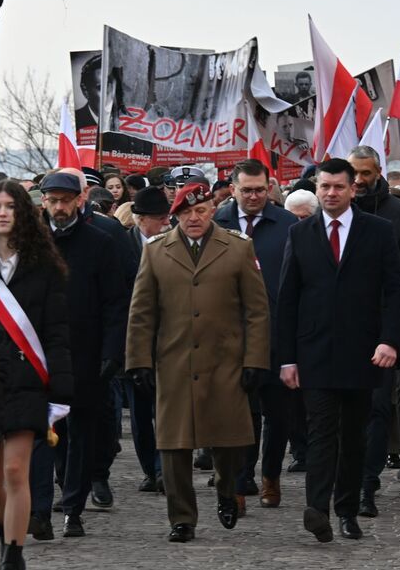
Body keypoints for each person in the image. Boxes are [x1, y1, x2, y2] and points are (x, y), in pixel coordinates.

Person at [126, 181, 270, 543]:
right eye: (187, 212)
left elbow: (256, 311)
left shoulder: (238, 247)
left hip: (226, 361)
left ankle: (226, 490)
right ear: (175, 215)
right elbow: (141, 313)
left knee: (228, 440)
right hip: (173, 362)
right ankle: (182, 518)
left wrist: (255, 359)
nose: (194, 218)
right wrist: (138, 361)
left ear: (212, 211)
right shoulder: (156, 252)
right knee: (173, 446)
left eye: (201, 210)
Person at [278, 158, 400, 542]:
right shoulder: (300, 233)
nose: (331, 193)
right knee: (321, 432)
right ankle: (317, 510)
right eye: (325, 186)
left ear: (353, 189)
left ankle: (347, 510)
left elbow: (397, 290)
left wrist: (390, 340)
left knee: (353, 436)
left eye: (338, 186)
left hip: (363, 352)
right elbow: (287, 299)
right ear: (316, 189)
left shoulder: (378, 231)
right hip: (314, 352)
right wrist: (286, 358)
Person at [0, 180, 72, 568]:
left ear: (23, 213)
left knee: (15, 470)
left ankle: (14, 554)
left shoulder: (44, 267)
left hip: (27, 381)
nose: (3, 213)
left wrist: (61, 392)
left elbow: (57, 333)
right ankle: (4, 532)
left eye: (10, 206)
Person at [37, 172, 128, 538]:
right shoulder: (32, 241)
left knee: (82, 431)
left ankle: (74, 505)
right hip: (41, 352)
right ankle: (50, 499)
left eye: (65, 200)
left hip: (86, 353)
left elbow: (115, 302)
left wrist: (112, 351)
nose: (59, 207)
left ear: (79, 200)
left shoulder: (100, 242)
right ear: (44, 201)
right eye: (53, 200)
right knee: (49, 431)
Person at [214, 159, 297, 512]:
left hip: (276, 334)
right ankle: (240, 479)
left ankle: (270, 476)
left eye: (260, 190)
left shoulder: (288, 225)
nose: (253, 196)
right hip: (231, 336)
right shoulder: (217, 223)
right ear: (233, 189)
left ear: (270, 188)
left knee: (277, 415)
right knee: (237, 414)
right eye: (246, 190)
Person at [346, 145, 400, 517]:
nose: (359, 180)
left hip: (381, 333)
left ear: (378, 172)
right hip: (340, 332)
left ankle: (366, 483)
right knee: (342, 413)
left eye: (366, 173)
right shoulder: (335, 212)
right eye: (354, 173)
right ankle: (344, 478)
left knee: (377, 411)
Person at [124, 186, 172, 492]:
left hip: (169, 340)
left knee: (166, 409)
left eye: (167, 216)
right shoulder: (121, 245)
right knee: (140, 413)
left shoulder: (174, 243)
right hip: (134, 340)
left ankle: (165, 467)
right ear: (140, 219)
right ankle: (150, 469)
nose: (166, 222)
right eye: (159, 217)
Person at [75, 54, 102, 129]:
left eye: (114, 87)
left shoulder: (127, 122)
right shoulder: (74, 122)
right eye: (101, 88)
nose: (111, 95)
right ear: (85, 91)